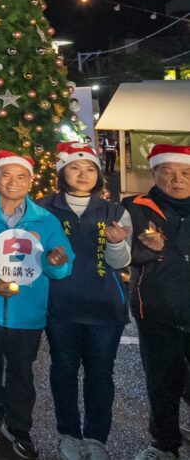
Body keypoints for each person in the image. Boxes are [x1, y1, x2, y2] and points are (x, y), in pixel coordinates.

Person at [0, 151, 74, 460]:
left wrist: (57, 262)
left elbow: (62, 267)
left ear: (30, 181)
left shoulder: (45, 219)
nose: (14, 182)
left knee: (21, 373)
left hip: (27, 312)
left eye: (21, 176)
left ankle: (18, 425)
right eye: (6, 175)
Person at [38, 142, 131, 460]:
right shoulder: (44, 208)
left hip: (105, 307)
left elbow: (120, 263)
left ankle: (96, 438)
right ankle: (69, 434)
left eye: (90, 168)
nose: (82, 174)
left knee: (101, 373)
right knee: (63, 368)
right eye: (75, 168)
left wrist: (117, 243)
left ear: (98, 175)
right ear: (62, 172)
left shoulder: (114, 211)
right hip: (60, 305)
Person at [126, 144, 190, 460]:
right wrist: (150, 250)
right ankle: (166, 444)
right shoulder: (134, 208)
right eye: (168, 171)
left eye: (186, 173)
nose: (177, 179)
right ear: (154, 173)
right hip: (157, 310)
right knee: (162, 381)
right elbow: (120, 256)